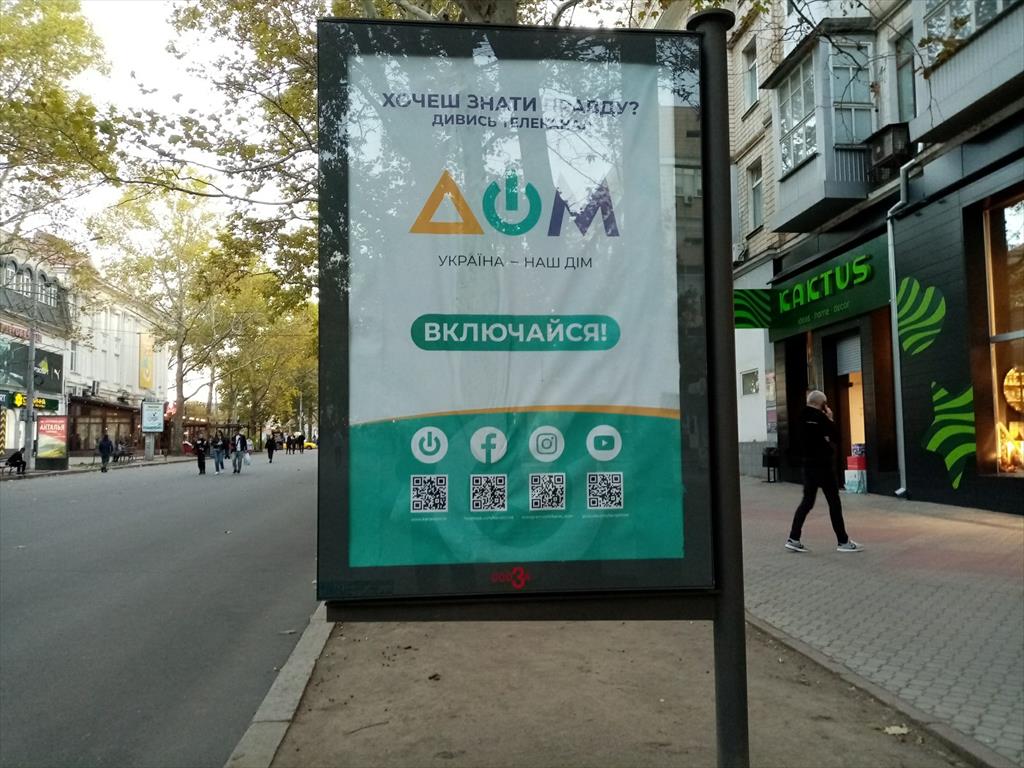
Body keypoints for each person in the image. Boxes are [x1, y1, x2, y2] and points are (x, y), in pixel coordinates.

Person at [786, 390, 864, 553]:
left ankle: (793, 538)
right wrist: (830, 419)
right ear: (821, 404)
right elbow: (837, 437)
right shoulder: (821, 418)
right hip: (824, 466)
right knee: (834, 503)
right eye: (825, 404)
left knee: (807, 502)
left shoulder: (799, 417)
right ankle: (843, 541)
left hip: (807, 465)